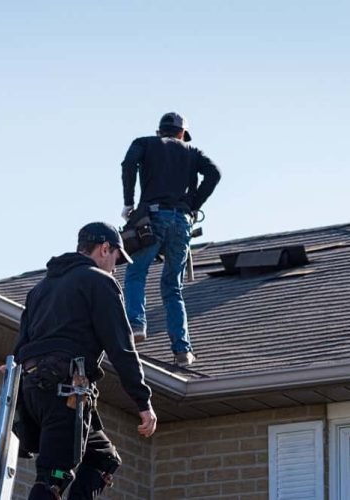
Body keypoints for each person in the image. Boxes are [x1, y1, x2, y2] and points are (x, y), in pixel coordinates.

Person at [13, 221, 157, 499]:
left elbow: (19, 348)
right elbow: (121, 348)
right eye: (116, 258)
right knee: (53, 476)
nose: (116, 267)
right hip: (64, 391)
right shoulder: (100, 282)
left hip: (34, 393)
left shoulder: (39, 290)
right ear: (105, 248)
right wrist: (143, 401)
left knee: (103, 458)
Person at [121, 111, 221, 367]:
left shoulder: (144, 144)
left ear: (160, 131)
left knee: (136, 272)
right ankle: (182, 350)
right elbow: (214, 174)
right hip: (181, 222)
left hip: (153, 218)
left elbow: (128, 164)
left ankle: (136, 325)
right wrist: (193, 203)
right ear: (181, 133)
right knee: (172, 286)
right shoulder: (192, 152)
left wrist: (129, 202)